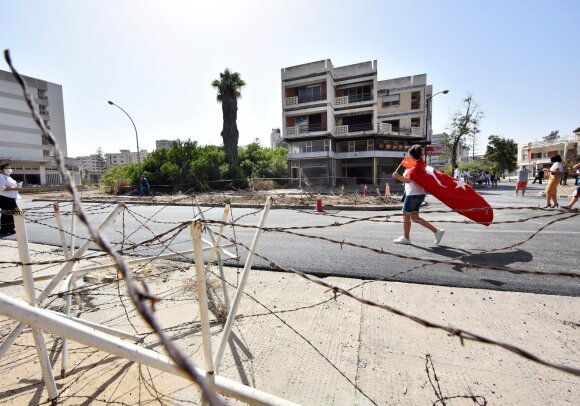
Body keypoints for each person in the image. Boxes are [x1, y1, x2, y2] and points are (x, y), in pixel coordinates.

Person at [392, 145, 445, 245]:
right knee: (415, 217)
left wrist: (397, 176)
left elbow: (407, 180)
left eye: (409, 154)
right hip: (419, 194)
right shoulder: (419, 165)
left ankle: (406, 238)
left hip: (413, 195)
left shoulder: (416, 167)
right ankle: (437, 231)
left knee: (406, 215)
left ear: (411, 155)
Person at [0, 163, 23, 236]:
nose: (9, 169)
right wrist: (15, 188)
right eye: (6, 168)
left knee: (9, 213)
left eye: (9, 168)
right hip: (5, 198)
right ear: (1, 170)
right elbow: (1, 188)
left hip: (10, 198)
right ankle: (6, 229)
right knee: (10, 212)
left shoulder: (9, 177)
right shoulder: (1, 176)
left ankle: (8, 228)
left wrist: (18, 186)